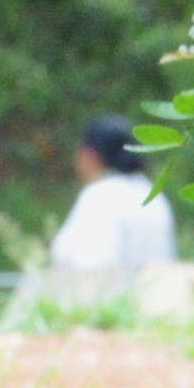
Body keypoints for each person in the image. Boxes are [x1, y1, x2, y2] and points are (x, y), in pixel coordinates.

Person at [51, 113, 176, 277]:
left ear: (90, 156)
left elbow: (86, 266)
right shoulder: (152, 194)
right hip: (155, 298)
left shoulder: (100, 196)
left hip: (109, 299)